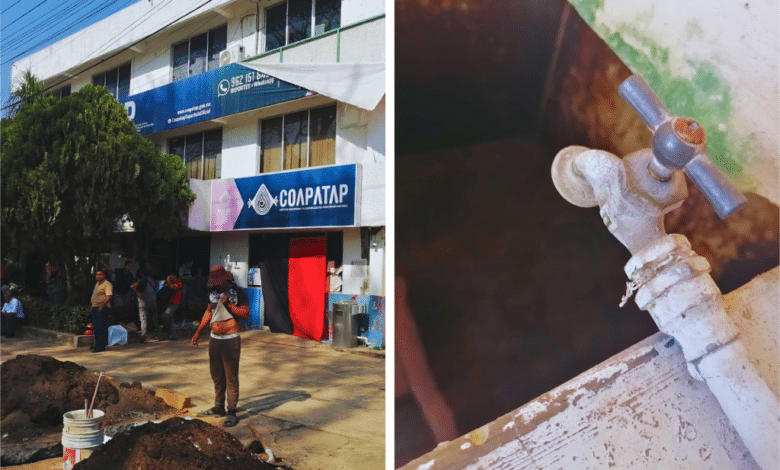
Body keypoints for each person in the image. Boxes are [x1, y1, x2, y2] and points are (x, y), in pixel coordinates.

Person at [191, 266, 249, 427]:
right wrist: (198, 332)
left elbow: (245, 314)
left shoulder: (239, 292)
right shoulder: (212, 291)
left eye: (218, 282)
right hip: (214, 338)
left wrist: (229, 304)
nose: (215, 285)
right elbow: (209, 312)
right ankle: (218, 406)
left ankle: (231, 411)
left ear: (226, 279)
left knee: (230, 376)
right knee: (216, 375)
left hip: (230, 339)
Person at [131, 264, 157, 341]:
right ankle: (156, 331)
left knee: (143, 319)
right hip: (152, 301)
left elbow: (132, 287)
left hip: (142, 301)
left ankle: (144, 335)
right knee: (154, 316)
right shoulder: (151, 280)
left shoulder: (139, 280)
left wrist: (138, 293)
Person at [90, 269, 113, 353]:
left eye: (100, 274)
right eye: (97, 274)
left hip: (103, 308)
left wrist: (102, 306)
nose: (98, 276)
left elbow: (109, 297)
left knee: (101, 327)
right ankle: (97, 344)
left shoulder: (107, 284)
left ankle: (101, 346)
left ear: (104, 276)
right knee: (96, 327)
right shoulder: (97, 284)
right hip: (94, 307)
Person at [162, 274, 183, 340]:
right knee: (171, 320)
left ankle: (165, 328)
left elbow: (174, 287)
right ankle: (173, 336)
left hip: (174, 303)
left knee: (165, 316)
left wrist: (168, 284)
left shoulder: (178, 283)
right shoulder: (170, 284)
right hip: (168, 303)